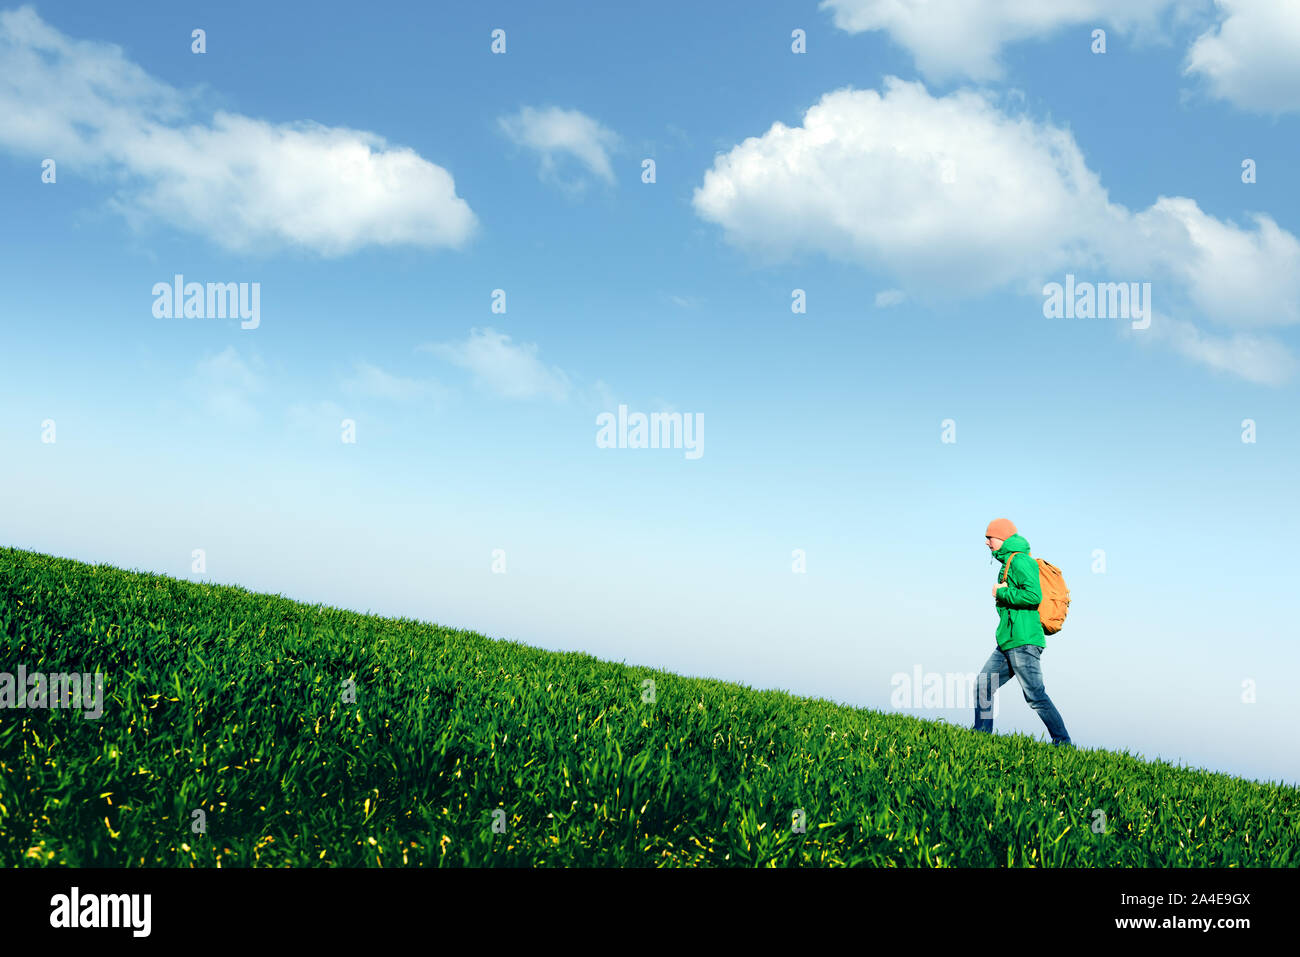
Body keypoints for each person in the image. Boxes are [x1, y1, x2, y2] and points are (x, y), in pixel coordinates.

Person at [974, 518, 1072, 746]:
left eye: (990, 538)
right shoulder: (1008, 562)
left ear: (1003, 537)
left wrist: (1001, 593)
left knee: (1035, 695)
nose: (987, 543)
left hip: (1024, 640)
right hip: (1009, 640)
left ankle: (1063, 743)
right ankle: (981, 736)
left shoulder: (1020, 561)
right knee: (983, 684)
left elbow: (1033, 596)